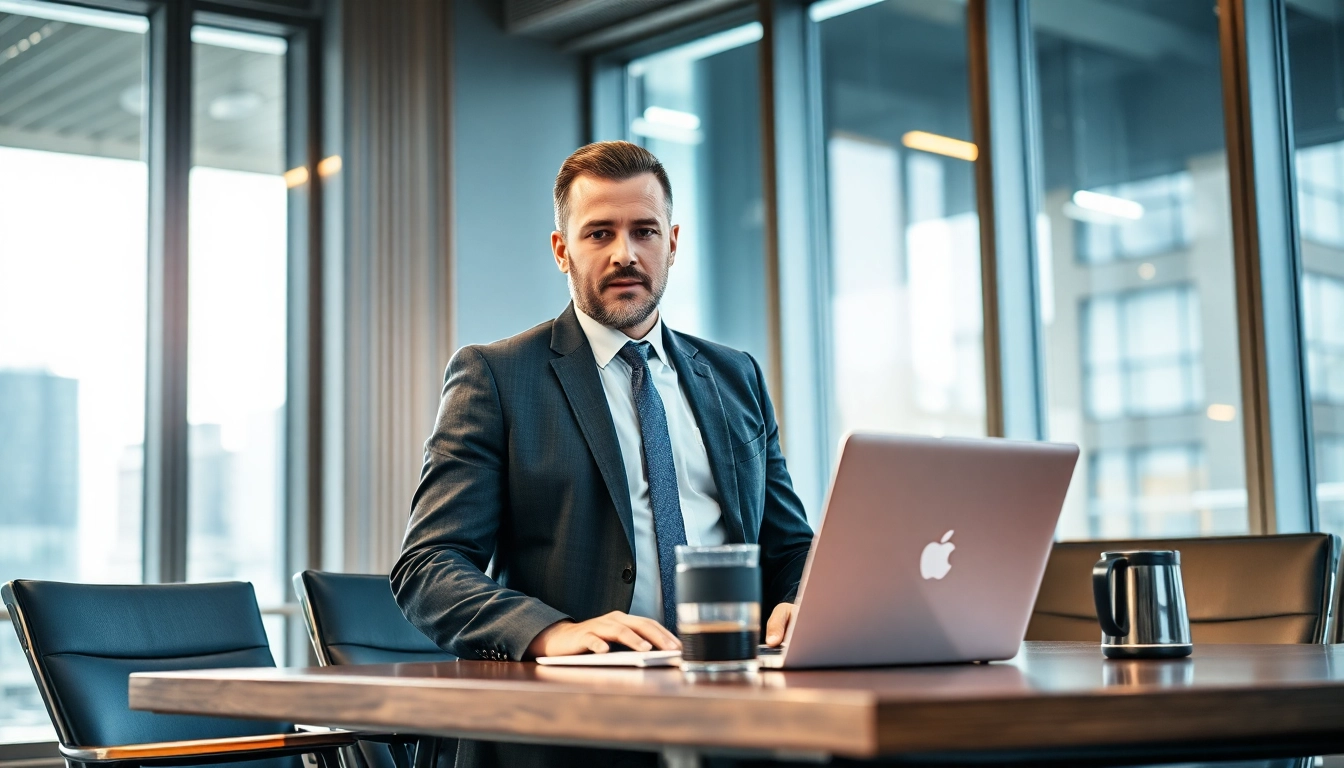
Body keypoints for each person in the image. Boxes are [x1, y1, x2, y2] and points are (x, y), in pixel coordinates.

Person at [392, 140, 814, 768]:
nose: (625, 254)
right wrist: (550, 633)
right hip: (574, 724)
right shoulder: (497, 377)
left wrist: (803, 599)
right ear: (562, 249)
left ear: (672, 243)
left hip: (737, 707)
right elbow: (428, 565)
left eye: (644, 231)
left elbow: (789, 546)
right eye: (599, 233)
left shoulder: (735, 377)